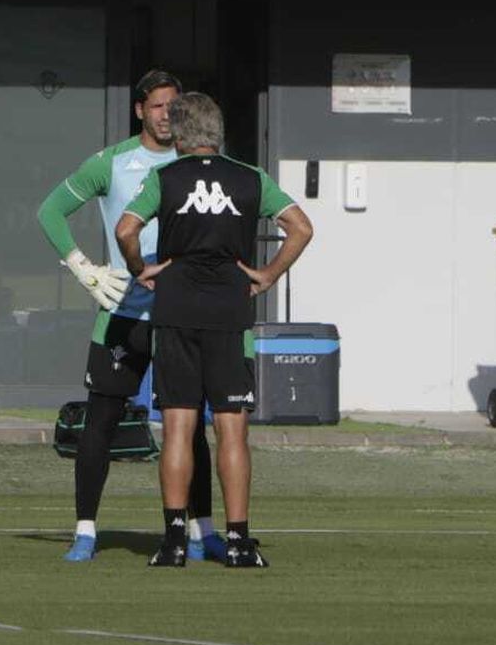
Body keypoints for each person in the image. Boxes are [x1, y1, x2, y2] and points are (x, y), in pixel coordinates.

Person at [116, 93, 313, 568]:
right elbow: (302, 228)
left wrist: (141, 266)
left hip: (177, 309)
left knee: (179, 428)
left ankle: (175, 540)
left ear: (179, 135)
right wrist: (267, 275)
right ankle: (240, 541)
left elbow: (126, 229)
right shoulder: (251, 178)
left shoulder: (166, 178)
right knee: (232, 431)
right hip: (230, 311)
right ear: (219, 133)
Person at [35, 70, 224, 563]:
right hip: (123, 311)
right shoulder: (113, 163)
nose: (167, 115)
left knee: (188, 426)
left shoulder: (200, 164)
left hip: (184, 313)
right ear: (140, 110)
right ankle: (85, 531)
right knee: (100, 420)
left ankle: (201, 531)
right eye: (158, 106)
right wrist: (83, 268)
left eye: (174, 106)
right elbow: (50, 211)